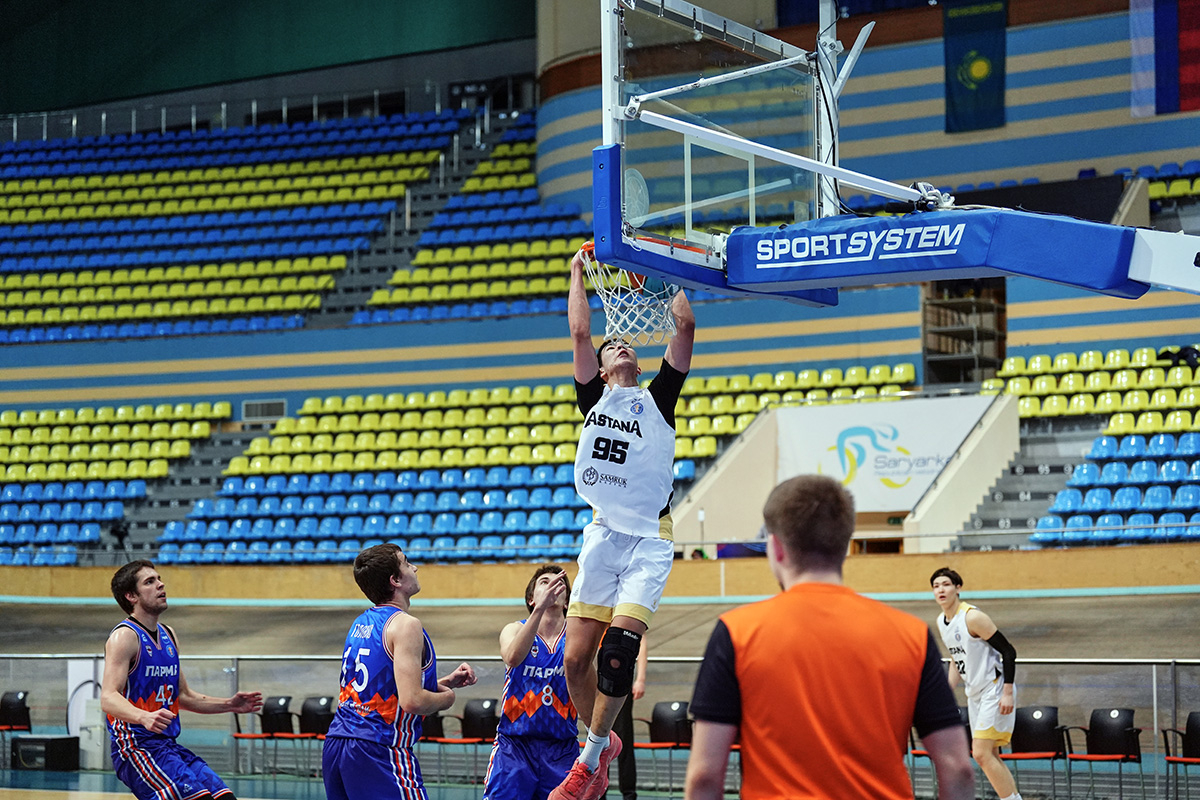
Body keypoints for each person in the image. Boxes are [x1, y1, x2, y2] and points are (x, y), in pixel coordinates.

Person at [685, 476, 975, 800]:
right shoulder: (912, 635)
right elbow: (957, 768)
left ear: (776, 547)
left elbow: (704, 776)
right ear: (844, 545)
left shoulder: (736, 632)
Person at [550, 245, 695, 800]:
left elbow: (684, 326)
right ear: (603, 367)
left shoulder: (660, 398)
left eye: (625, 342)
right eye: (612, 346)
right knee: (574, 660)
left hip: (650, 537)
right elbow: (580, 333)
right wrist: (577, 273)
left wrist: (665, 273)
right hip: (604, 534)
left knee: (617, 652)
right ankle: (602, 741)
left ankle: (589, 760)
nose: (620, 345)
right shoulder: (593, 398)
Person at [322, 543, 477, 800]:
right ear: (395, 580)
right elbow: (412, 701)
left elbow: (378, 690)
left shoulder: (360, 623)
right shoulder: (405, 625)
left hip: (337, 743)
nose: (414, 568)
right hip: (378, 747)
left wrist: (442, 682)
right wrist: (448, 697)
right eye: (406, 563)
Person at [101, 560, 263, 800]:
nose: (160, 584)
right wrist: (143, 716)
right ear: (131, 596)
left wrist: (229, 704)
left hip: (167, 746)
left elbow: (184, 696)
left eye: (159, 579)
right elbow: (108, 697)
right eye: (150, 582)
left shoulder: (169, 634)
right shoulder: (125, 636)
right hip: (136, 747)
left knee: (225, 797)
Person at [483, 565, 577, 800]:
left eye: (559, 583)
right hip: (515, 746)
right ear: (531, 598)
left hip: (562, 748)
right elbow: (513, 658)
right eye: (544, 582)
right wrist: (540, 609)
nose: (552, 586)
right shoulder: (513, 629)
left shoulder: (576, 638)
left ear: (567, 602)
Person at [931, 566, 1022, 800]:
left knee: (980, 754)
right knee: (991, 754)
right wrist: (945, 693)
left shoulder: (972, 617)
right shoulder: (942, 621)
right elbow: (956, 658)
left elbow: (1008, 651)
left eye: (946, 584)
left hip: (994, 687)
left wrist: (1007, 692)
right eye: (936, 586)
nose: (941, 590)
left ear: (957, 588)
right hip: (975, 693)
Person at [607, 634, 648, 800]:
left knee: (624, 738)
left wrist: (640, 679)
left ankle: (629, 793)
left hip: (620, 682)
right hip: (595, 682)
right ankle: (598, 792)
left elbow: (642, 640)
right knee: (596, 741)